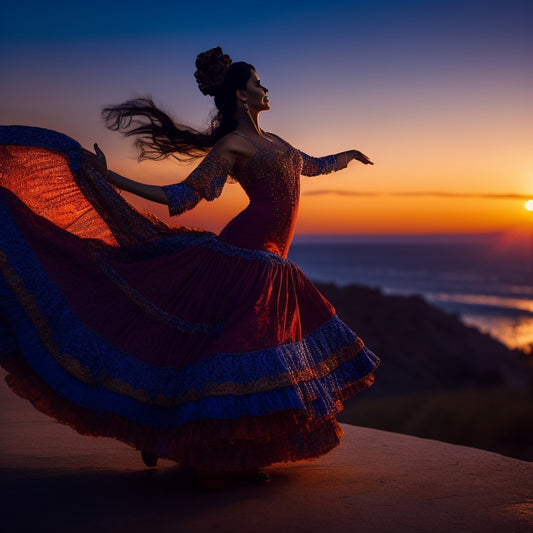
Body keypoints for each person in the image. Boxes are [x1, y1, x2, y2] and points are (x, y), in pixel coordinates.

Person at [0, 47, 379, 487]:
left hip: (273, 260)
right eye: (258, 82)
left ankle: (198, 443)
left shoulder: (278, 143)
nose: (266, 88)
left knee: (238, 359)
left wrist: (346, 156)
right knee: (227, 359)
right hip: (245, 256)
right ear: (241, 94)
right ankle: (200, 452)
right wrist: (111, 178)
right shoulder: (233, 145)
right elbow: (183, 196)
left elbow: (309, 167)